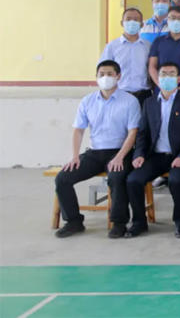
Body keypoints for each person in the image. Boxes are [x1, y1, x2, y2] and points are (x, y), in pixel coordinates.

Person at [54, 60, 141, 238]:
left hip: (119, 152)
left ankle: (119, 223)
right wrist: (75, 156)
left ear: (118, 76)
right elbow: (78, 130)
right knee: (62, 178)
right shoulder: (88, 101)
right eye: (101, 74)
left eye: (109, 74)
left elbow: (133, 132)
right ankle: (73, 221)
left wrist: (119, 157)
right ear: (96, 77)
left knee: (117, 177)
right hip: (94, 153)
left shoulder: (130, 101)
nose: (105, 77)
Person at [126, 62, 180, 238]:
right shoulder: (149, 103)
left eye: (171, 74)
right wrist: (139, 154)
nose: (167, 77)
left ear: (179, 79)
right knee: (133, 180)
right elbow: (142, 133)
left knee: (176, 180)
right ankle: (139, 222)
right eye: (163, 74)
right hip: (156, 156)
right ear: (157, 79)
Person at [99, 7, 152, 107]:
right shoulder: (112, 46)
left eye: (135, 19)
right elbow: (102, 71)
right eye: (128, 19)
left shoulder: (148, 46)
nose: (132, 22)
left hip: (144, 95)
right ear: (122, 23)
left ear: (142, 24)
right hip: (120, 94)